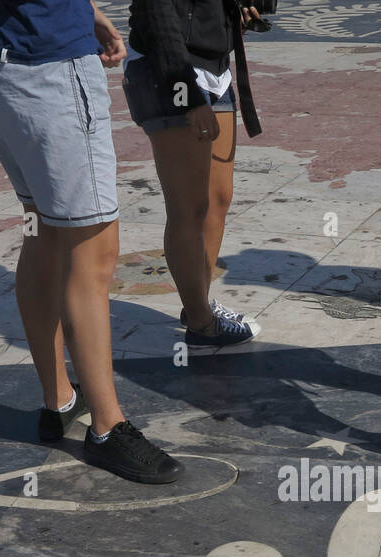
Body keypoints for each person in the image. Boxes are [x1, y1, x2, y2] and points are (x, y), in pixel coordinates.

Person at [0, 0, 182, 483]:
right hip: (47, 64)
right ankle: (107, 427)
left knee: (40, 227)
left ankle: (58, 398)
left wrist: (85, 10)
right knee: (92, 245)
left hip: (0, 52)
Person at [123, 0, 265, 348]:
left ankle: (197, 302)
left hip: (216, 69)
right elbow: (157, 14)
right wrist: (186, 93)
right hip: (171, 70)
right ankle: (202, 323)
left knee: (218, 199)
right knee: (189, 207)